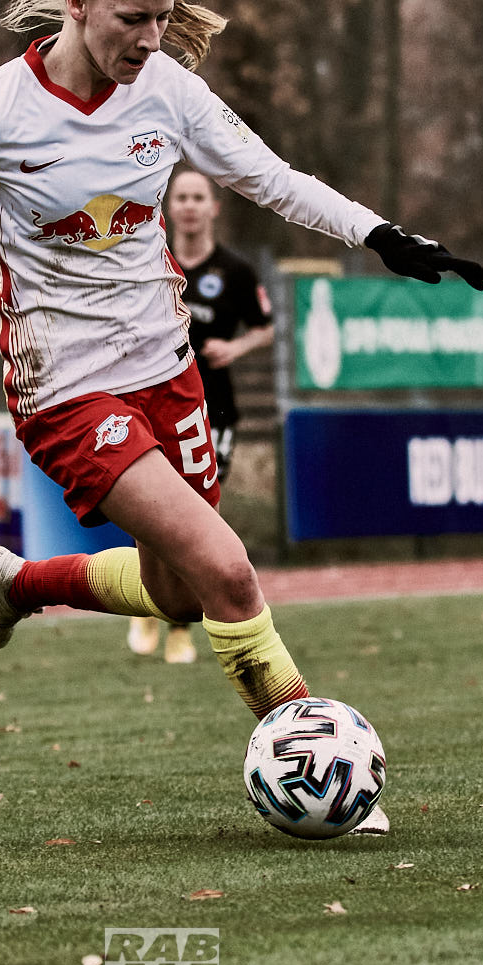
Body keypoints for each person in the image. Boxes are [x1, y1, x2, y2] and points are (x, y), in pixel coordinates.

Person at [0, 0, 483, 832]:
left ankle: (21, 583)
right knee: (229, 573)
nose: (152, 38)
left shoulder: (168, 90)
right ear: (76, 1)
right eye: (134, 18)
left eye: (164, 16)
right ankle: (321, 772)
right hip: (64, 388)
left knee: (179, 596)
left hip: (167, 368)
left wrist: (382, 236)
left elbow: (272, 179)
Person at [126, 167, 273, 665]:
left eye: (198, 197)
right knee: (150, 507)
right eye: (181, 197)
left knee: (200, 516)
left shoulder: (236, 270)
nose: (189, 206)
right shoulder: (146, 263)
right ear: (167, 207)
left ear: (213, 208)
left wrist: (234, 348)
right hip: (152, 401)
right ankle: (150, 605)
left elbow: (265, 327)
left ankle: (180, 628)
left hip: (216, 408)